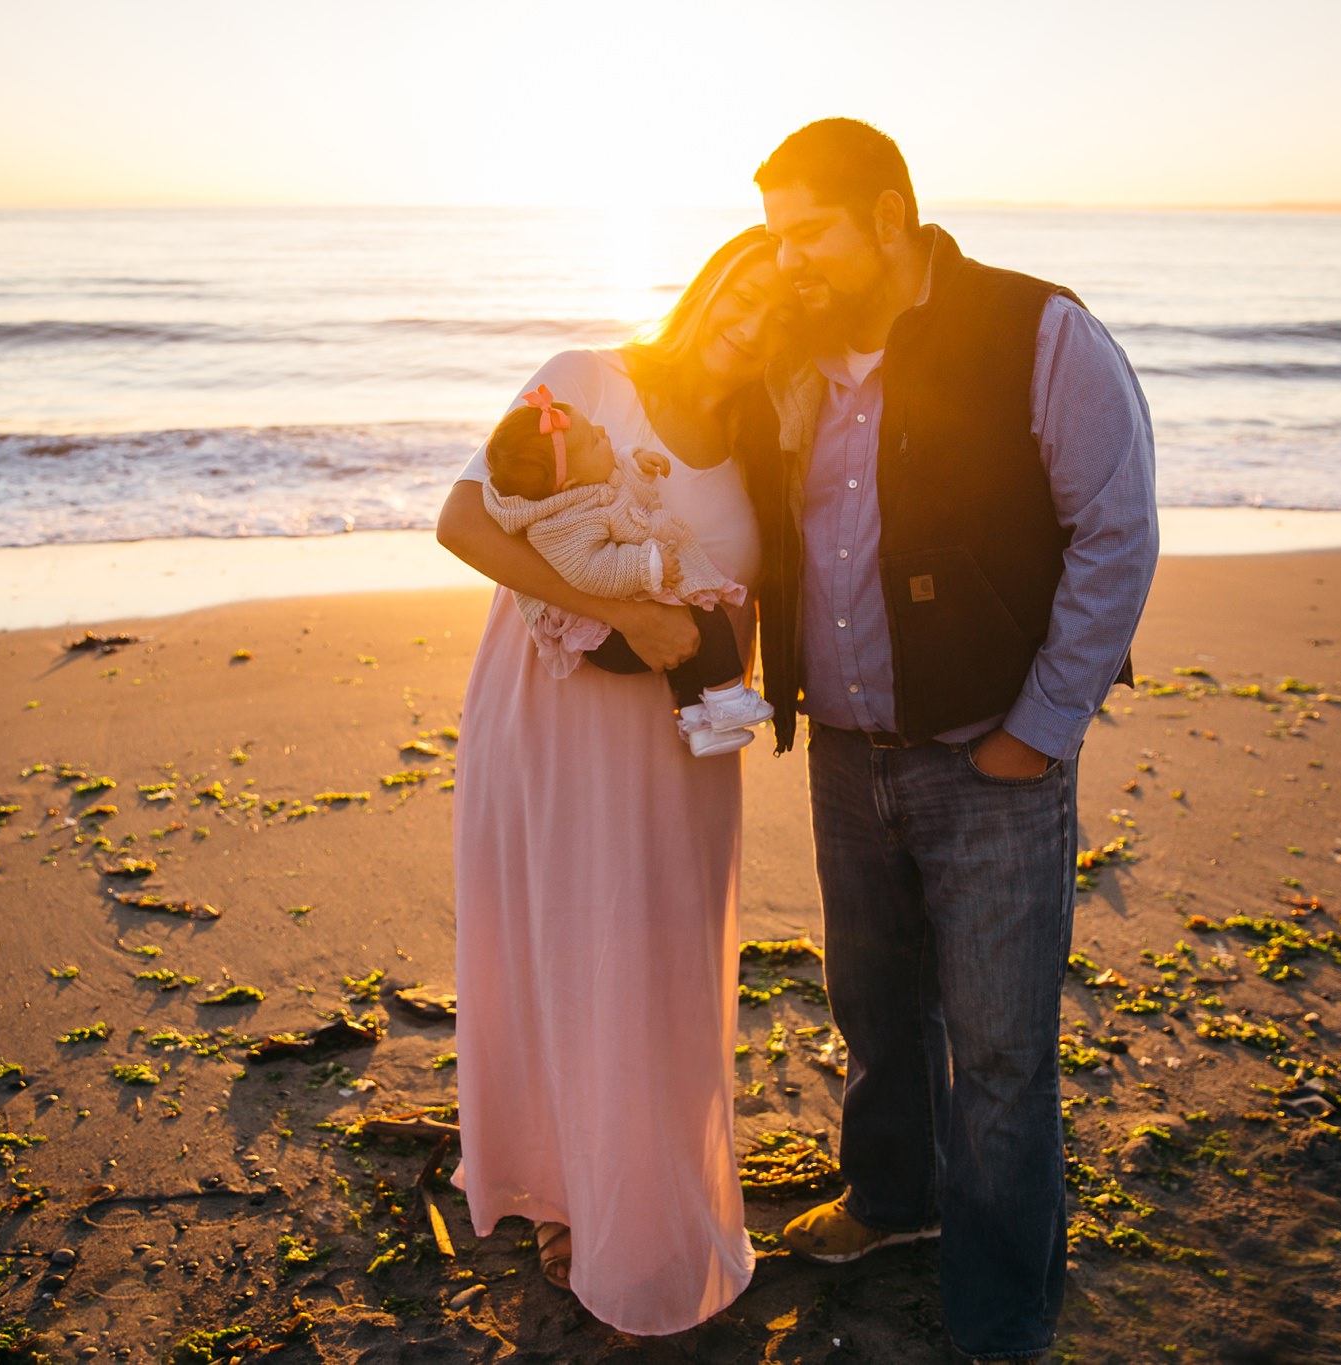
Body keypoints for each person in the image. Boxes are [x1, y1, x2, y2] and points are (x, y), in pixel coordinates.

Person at [747, 119, 1157, 1363]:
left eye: (807, 233)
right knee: (872, 1009)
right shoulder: (794, 351)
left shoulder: (1037, 331)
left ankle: (1000, 1321)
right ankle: (886, 1205)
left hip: (990, 759)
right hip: (845, 750)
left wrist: (1035, 735)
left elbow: (1115, 534)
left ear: (885, 216)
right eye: (775, 240)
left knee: (998, 1056)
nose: (791, 262)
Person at [434, 225, 792, 1335]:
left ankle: (653, 1186)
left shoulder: (765, 445)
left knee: (660, 963)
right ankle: (561, 1189)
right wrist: (624, 611)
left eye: (787, 308)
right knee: (559, 945)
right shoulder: (586, 382)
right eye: (746, 286)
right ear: (710, 283)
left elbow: (752, 593)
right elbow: (461, 524)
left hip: (674, 743)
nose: (755, 315)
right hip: (550, 716)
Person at [480, 383, 775, 757]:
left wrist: (635, 463)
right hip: (606, 638)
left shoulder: (580, 482)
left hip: (622, 609)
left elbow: (613, 475)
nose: (604, 433)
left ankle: (699, 723)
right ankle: (729, 699)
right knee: (706, 615)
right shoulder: (563, 522)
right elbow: (587, 570)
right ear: (568, 482)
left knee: (683, 650)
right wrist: (646, 566)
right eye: (593, 441)